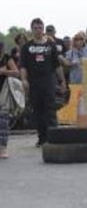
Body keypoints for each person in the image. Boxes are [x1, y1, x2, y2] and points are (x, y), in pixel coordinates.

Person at [20, 18, 67, 147]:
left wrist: (62, 81)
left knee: (50, 109)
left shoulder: (50, 45)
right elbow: (23, 65)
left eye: (40, 28)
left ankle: (53, 137)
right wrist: (24, 80)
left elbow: (57, 65)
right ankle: (42, 138)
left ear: (43, 29)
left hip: (49, 81)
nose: (38, 30)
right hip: (34, 82)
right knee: (38, 110)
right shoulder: (26, 47)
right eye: (35, 28)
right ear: (31, 29)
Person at [0, 42, 20, 158]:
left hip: (4, 92)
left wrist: (4, 72)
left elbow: (16, 73)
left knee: (3, 122)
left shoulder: (7, 58)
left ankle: (2, 148)